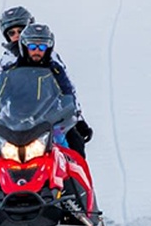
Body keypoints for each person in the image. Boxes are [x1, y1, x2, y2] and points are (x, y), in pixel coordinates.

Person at [6, 23, 94, 157]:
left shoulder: (55, 71)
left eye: (41, 47)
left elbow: (68, 93)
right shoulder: (11, 72)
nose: (37, 51)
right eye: (32, 47)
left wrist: (78, 119)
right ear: (24, 47)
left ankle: (75, 175)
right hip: (18, 124)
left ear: (48, 48)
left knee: (76, 145)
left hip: (52, 124)